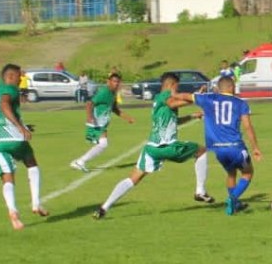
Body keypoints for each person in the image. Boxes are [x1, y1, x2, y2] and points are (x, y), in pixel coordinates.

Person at [93, 72, 217, 220]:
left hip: (151, 149)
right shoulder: (166, 97)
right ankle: (200, 191)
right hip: (168, 146)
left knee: (133, 179)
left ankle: (104, 207)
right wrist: (196, 97)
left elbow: (174, 121)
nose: (177, 91)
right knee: (201, 151)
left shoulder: (158, 99)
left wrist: (192, 116)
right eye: (176, 87)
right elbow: (173, 102)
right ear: (171, 85)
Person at [179, 76, 262, 216]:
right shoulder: (240, 103)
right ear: (231, 87)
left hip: (217, 149)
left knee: (231, 173)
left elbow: (185, 96)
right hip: (235, 147)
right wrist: (255, 148)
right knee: (248, 173)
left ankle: (235, 205)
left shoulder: (208, 98)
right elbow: (248, 127)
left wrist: (170, 95)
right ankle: (232, 199)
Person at [0, 63, 47, 231]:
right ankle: (36, 203)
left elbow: (1, 108)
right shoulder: (10, 89)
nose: (21, 80)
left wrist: (23, 125)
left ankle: (13, 211)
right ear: (11, 77)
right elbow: (4, 105)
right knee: (31, 163)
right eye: (19, 77)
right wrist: (20, 127)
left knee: (7, 178)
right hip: (14, 138)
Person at [70, 72, 135, 172]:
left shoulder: (113, 94)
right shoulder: (104, 92)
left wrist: (127, 118)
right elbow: (89, 103)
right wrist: (90, 117)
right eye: (114, 81)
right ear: (108, 82)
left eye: (118, 82)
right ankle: (80, 162)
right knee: (103, 144)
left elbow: (114, 108)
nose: (116, 84)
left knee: (102, 144)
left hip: (101, 123)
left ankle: (79, 162)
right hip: (96, 122)